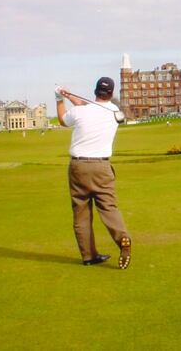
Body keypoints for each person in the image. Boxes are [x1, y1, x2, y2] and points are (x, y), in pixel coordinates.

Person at [55, 77, 131, 269]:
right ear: (111, 94)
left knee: (81, 212)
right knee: (108, 207)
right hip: (102, 167)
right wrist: (71, 96)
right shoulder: (116, 113)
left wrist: (59, 99)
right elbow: (89, 107)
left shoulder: (81, 111)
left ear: (95, 91)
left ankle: (89, 256)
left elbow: (63, 120)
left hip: (78, 167)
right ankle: (122, 238)